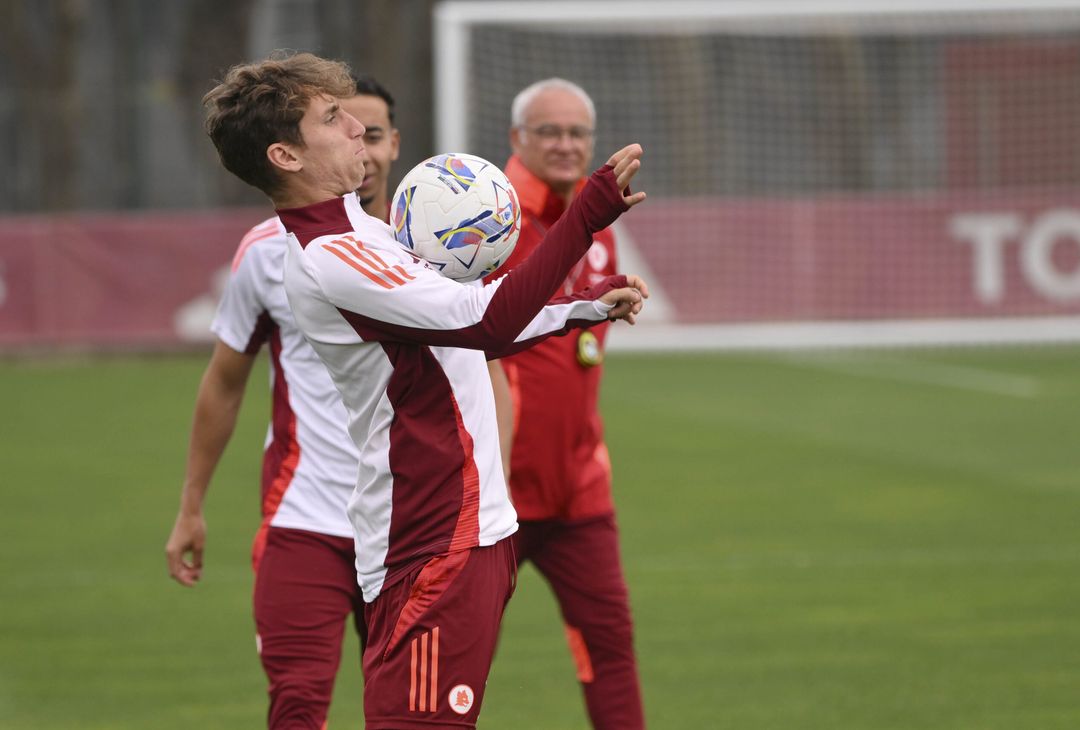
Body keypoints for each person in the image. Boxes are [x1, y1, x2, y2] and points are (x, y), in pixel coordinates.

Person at [201, 51, 647, 729]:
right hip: (434, 543)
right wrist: (584, 215)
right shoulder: (333, 257)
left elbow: (464, 336)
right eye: (332, 117)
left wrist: (581, 306)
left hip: (453, 536)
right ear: (286, 156)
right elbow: (485, 320)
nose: (357, 127)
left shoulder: (366, 234)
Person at [165, 74, 514, 729]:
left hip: (420, 526)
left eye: (373, 132)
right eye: (339, 123)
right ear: (291, 154)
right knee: (297, 706)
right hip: (308, 516)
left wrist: (492, 498)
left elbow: (482, 364)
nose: (361, 140)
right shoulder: (268, 253)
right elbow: (225, 379)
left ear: (394, 145)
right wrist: (191, 503)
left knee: (411, 711)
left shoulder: (430, 249)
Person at [494, 78, 647, 730]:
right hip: (494, 494)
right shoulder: (486, 219)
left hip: (579, 490)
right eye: (548, 131)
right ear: (516, 139)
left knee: (610, 648)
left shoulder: (598, 220)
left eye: (577, 132)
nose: (565, 144)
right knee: (454, 660)